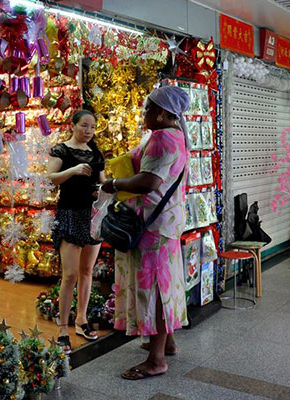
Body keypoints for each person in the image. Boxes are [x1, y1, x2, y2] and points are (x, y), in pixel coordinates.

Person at [101, 85, 190, 380]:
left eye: (149, 108)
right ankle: (169, 343)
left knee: (154, 291)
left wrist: (115, 184)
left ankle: (156, 360)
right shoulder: (175, 135)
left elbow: (149, 182)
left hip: (153, 226)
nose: (144, 113)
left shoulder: (163, 138)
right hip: (165, 224)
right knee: (165, 287)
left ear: (163, 113)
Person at [47, 109, 105, 354]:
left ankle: (81, 320)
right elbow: (51, 178)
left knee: (87, 271)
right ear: (73, 125)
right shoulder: (61, 150)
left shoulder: (97, 153)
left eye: (92, 127)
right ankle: (62, 328)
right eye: (84, 126)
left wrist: (100, 191)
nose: (89, 131)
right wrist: (73, 170)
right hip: (70, 214)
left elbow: (102, 182)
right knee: (69, 274)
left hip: (91, 216)